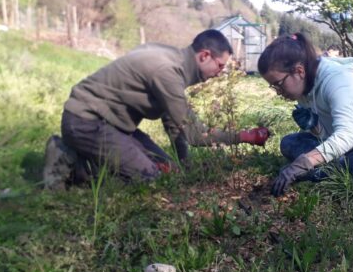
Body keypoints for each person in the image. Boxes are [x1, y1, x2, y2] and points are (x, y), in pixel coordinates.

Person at [43, 29, 270, 189]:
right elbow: (195, 134)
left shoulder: (171, 58)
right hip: (86, 121)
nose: (220, 72)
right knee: (151, 176)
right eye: (220, 66)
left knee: (168, 170)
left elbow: (174, 124)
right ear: (204, 56)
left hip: (113, 124)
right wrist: (246, 136)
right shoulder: (167, 71)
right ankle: (71, 162)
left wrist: (184, 164)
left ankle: (90, 157)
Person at [258, 33, 353, 196]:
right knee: (288, 143)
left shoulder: (337, 81)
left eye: (278, 84)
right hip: (348, 147)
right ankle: (352, 170)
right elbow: (328, 136)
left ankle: (320, 173)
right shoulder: (303, 87)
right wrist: (315, 127)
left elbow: (346, 136)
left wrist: (304, 163)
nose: (278, 92)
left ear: (299, 71)